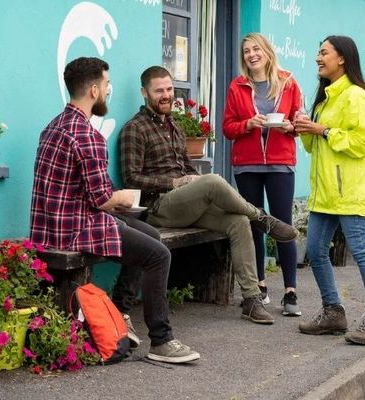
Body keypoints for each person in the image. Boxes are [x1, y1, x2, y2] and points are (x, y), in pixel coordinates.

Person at [30, 57, 200, 363]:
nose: (109, 91)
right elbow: (101, 199)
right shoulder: (87, 135)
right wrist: (121, 196)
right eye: (107, 84)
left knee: (148, 233)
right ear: (94, 90)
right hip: (75, 229)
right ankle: (161, 341)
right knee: (159, 255)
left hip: (51, 225)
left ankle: (122, 311)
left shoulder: (53, 126)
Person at [119, 65, 299, 325]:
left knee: (237, 222)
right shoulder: (135, 129)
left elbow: (188, 169)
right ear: (144, 93)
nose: (166, 95)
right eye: (159, 91)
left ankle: (251, 299)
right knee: (213, 181)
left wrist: (192, 179)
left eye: (169, 89)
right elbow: (132, 179)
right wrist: (175, 182)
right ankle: (261, 217)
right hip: (158, 208)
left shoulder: (174, 127)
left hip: (186, 206)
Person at [293, 36, 365, 345]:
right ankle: (333, 311)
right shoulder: (326, 98)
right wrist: (304, 127)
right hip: (325, 193)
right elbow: (315, 147)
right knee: (315, 251)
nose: (317, 58)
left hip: (349, 190)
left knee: (361, 250)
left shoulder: (356, 97)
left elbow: (363, 142)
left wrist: (322, 130)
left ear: (342, 59)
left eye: (324, 52)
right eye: (318, 52)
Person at [222, 33, 303, 317]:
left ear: (267, 51)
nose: (251, 54)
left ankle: (291, 291)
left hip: (281, 163)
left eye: (256, 49)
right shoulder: (237, 85)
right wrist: (248, 124)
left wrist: (289, 128)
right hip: (247, 165)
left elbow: (299, 122)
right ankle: (260, 285)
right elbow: (228, 127)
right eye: (246, 51)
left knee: (283, 225)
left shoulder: (289, 82)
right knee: (255, 224)